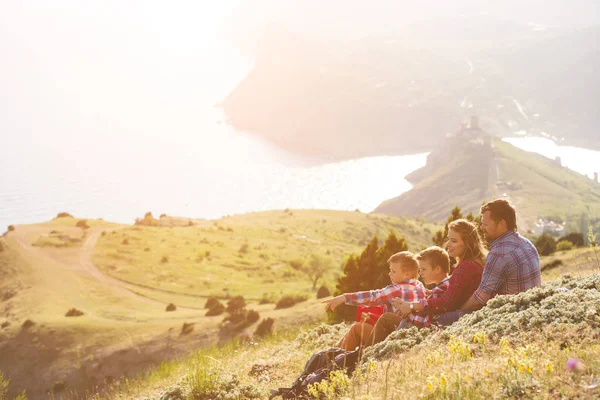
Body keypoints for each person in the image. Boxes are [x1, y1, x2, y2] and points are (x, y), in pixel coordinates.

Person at [455, 199, 541, 321]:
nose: (481, 228)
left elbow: (480, 300)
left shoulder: (499, 253)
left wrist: (458, 312)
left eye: (485, 224)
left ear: (502, 224)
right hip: (532, 309)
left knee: (441, 319)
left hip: (510, 317)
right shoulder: (527, 244)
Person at [322, 251, 427, 351]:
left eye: (393, 271)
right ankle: (334, 354)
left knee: (356, 328)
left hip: (393, 333)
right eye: (390, 270)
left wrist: (344, 297)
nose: (390, 274)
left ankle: (335, 361)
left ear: (407, 275)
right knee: (358, 328)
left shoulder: (396, 289)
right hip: (410, 331)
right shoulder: (419, 286)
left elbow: (373, 296)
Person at [393, 219, 486, 327]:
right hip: (467, 315)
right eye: (449, 239)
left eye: (454, 241)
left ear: (467, 243)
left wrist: (412, 306)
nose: (448, 244)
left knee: (406, 321)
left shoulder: (465, 267)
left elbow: (446, 303)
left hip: (462, 317)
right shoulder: (475, 263)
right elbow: (455, 294)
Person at [367, 246, 451, 345]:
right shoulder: (446, 284)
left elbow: (425, 319)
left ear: (437, 269)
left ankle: (365, 354)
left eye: (424, 269)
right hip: (423, 327)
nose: (420, 273)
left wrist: (406, 308)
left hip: (421, 329)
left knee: (386, 318)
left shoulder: (440, 289)